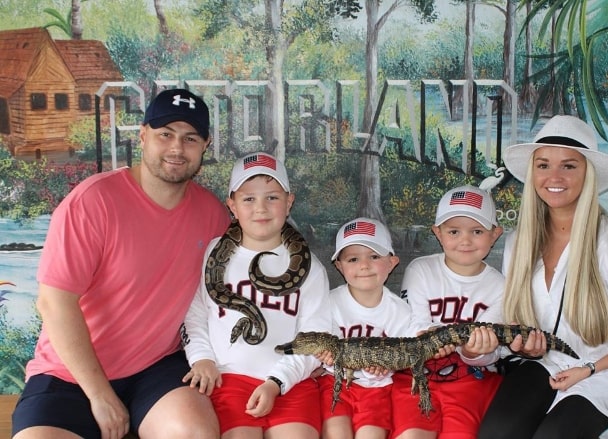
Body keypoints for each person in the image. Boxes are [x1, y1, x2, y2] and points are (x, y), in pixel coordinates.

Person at [11, 88, 232, 439]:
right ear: (143, 136)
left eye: (190, 138)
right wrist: (100, 396)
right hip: (71, 373)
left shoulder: (213, 215)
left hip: (156, 367)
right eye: (165, 135)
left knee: (193, 431)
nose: (177, 148)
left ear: (205, 145)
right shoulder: (92, 201)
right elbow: (54, 303)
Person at [477, 115, 608, 439]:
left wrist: (589, 369)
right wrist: (520, 343)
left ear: (588, 174)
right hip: (545, 363)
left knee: (554, 436)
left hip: (604, 371)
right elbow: (515, 318)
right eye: (543, 165)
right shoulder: (519, 243)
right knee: (497, 433)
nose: (553, 176)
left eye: (568, 166)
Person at [181, 151, 332, 439]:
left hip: (291, 382)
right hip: (229, 378)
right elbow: (195, 315)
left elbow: (315, 339)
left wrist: (277, 382)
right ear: (232, 205)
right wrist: (201, 358)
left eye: (272, 197)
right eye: (249, 198)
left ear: (289, 202)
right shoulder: (212, 254)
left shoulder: (311, 269)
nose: (260, 207)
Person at [392, 185, 505, 439]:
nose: (465, 240)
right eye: (454, 231)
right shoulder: (420, 269)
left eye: (477, 231)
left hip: (469, 378)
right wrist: (429, 336)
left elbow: (492, 353)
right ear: (438, 233)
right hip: (417, 373)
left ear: (494, 234)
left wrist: (473, 352)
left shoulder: (501, 287)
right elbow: (413, 324)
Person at [314, 217, 412, 439]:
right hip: (334, 384)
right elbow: (320, 346)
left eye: (374, 256)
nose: (364, 265)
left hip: (376, 391)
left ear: (392, 262)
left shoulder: (401, 311)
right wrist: (324, 355)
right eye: (353, 259)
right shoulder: (328, 303)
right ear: (339, 266)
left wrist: (387, 364)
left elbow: (403, 354)